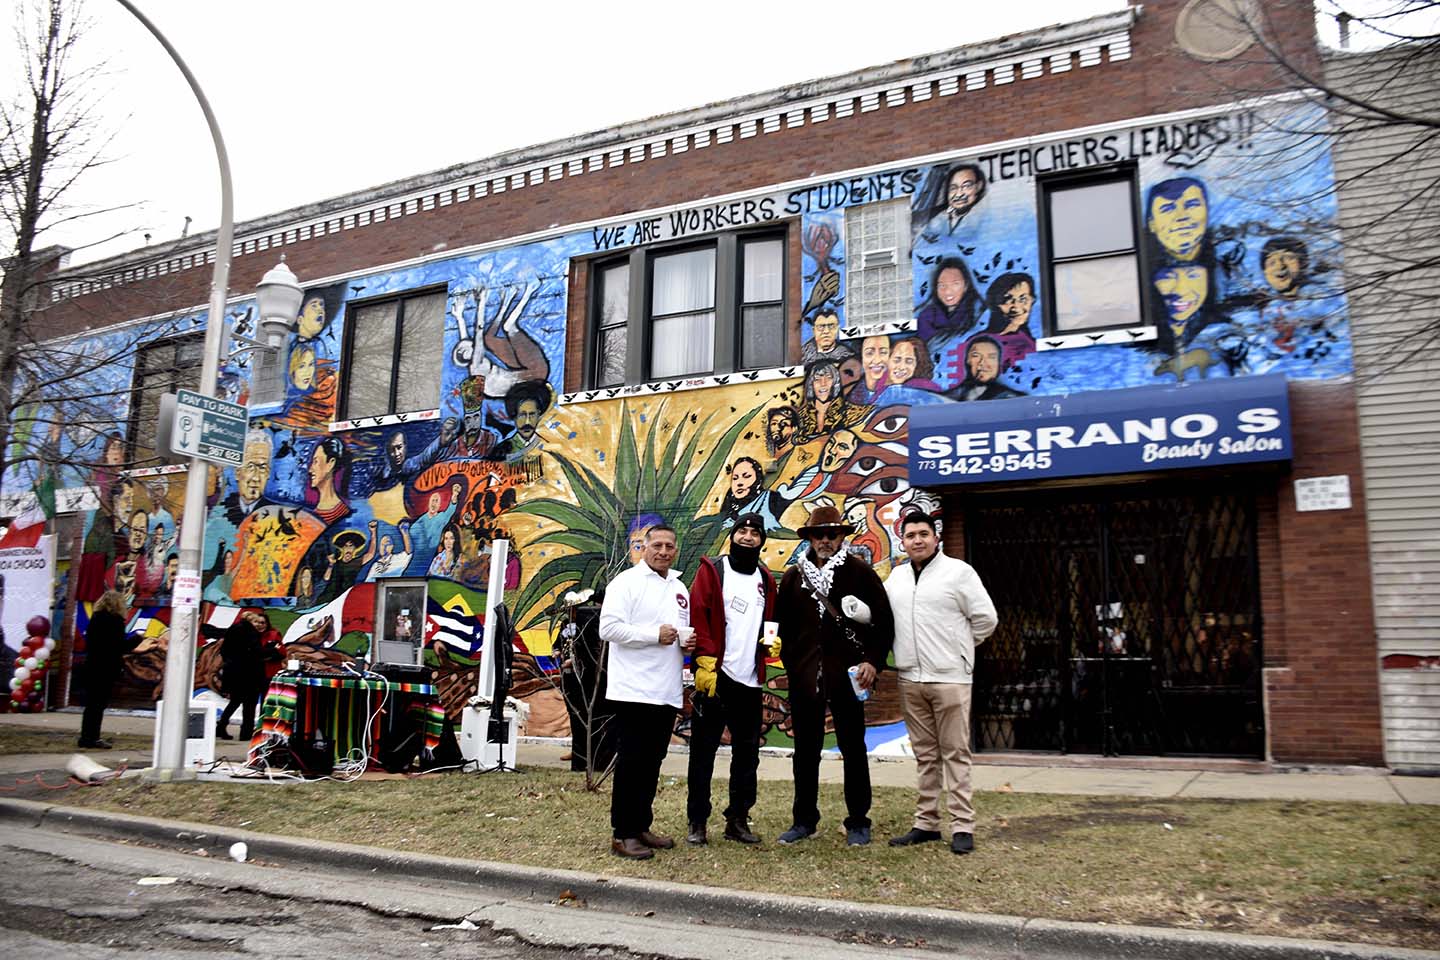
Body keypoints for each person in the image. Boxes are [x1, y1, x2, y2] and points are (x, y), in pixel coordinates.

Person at [774, 505, 893, 846]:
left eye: (832, 534)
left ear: (842, 536)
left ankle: (858, 820)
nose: (826, 540)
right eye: (819, 534)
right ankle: (803, 821)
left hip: (848, 677)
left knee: (853, 748)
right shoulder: (794, 577)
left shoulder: (860, 572)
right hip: (805, 678)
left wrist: (873, 661)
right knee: (805, 752)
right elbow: (781, 626)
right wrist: (791, 663)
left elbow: (883, 624)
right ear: (810, 538)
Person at [883, 511, 997, 855]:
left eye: (923, 533)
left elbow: (985, 619)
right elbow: (884, 617)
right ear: (902, 542)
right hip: (910, 679)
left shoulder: (958, 573)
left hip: (950, 678)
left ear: (936, 538)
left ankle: (963, 825)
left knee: (956, 754)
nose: (917, 540)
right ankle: (927, 823)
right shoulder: (897, 578)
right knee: (925, 756)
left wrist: (959, 652)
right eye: (910, 535)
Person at [598, 523, 692, 860]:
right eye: (658, 546)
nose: (664, 552)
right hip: (634, 689)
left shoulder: (680, 587)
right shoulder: (626, 582)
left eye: (670, 546)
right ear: (644, 547)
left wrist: (685, 640)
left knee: (652, 762)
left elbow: (676, 632)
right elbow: (607, 628)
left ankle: (641, 826)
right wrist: (654, 635)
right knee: (632, 763)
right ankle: (622, 833)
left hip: (665, 689)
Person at [685, 513, 777, 846]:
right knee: (703, 753)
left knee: (747, 755)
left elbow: (770, 619)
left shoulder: (765, 578)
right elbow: (699, 612)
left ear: (761, 540)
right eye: (743, 531)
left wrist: (770, 641)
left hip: (750, 682)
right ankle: (697, 821)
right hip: (716, 677)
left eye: (755, 533)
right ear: (733, 535)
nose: (749, 537)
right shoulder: (714, 571)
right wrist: (705, 661)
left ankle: (737, 819)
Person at [78, 590, 139, 749]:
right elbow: (118, 647)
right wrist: (137, 639)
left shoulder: (96, 619)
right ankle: (92, 738)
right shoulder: (115, 621)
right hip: (106, 668)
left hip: (92, 665)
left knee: (92, 705)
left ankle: (87, 736)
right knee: (99, 705)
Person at [216, 611, 271, 741]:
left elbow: (224, 650)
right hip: (249, 673)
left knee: (234, 702)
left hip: (233, 672)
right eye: (256, 622)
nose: (258, 625)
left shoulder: (233, 630)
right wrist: (273, 650)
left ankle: (221, 726)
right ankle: (245, 733)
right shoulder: (250, 633)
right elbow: (256, 652)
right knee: (249, 704)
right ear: (250, 621)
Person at [915, 258, 983, 343]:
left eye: (955, 284)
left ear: (966, 285)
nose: (947, 291)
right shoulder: (927, 316)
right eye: (942, 285)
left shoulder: (979, 313)